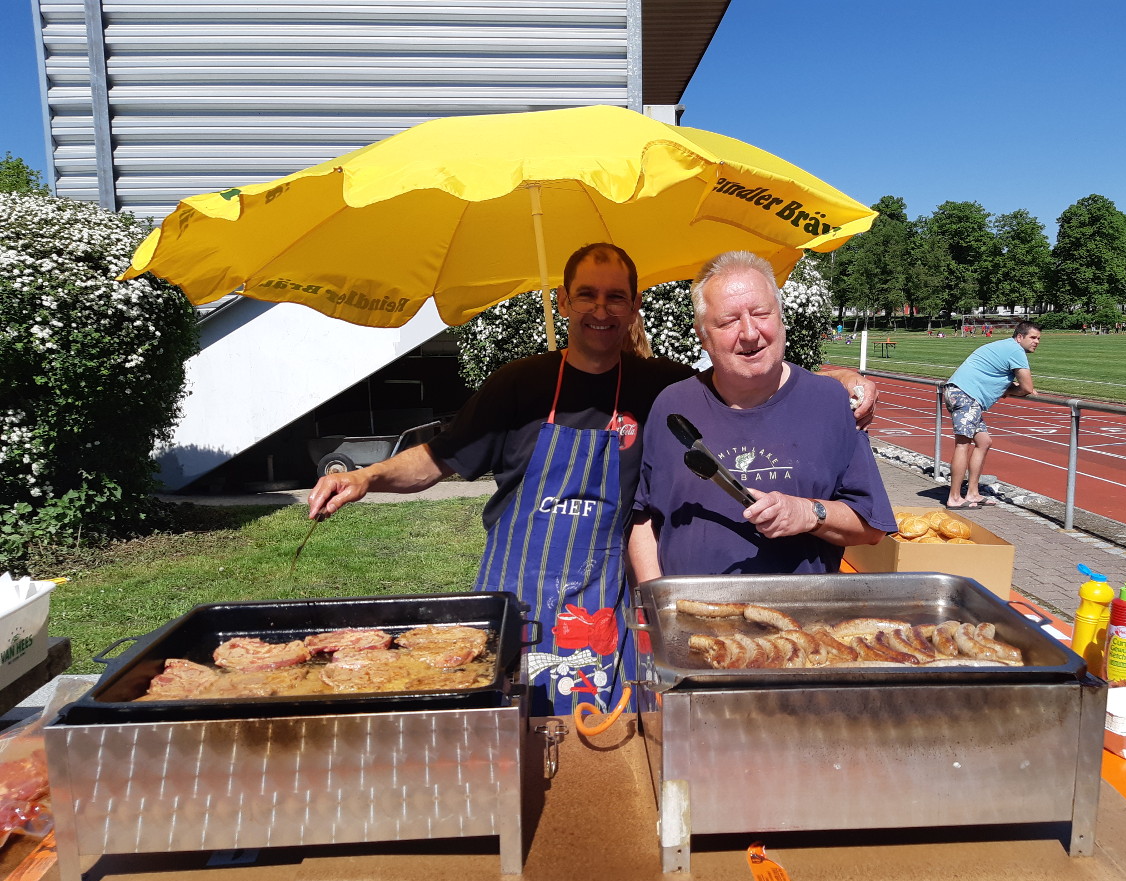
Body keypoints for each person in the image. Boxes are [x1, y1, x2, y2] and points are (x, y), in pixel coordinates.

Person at [307, 242, 879, 715]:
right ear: (564, 301)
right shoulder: (517, 385)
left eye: (615, 297)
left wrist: (838, 380)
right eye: (586, 294)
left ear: (633, 308)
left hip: (599, 601)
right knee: (513, 720)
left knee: (600, 736)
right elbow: (437, 459)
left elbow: (743, 375)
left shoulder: (660, 388)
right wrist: (368, 476)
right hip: (520, 595)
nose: (600, 310)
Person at [628, 251, 896, 581]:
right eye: (728, 321)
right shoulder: (671, 406)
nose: (750, 333)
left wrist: (810, 513)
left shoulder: (830, 402)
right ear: (703, 336)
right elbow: (642, 514)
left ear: (781, 319)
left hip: (798, 613)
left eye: (761, 313)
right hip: (687, 611)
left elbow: (871, 526)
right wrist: (656, 597)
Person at [941, 320, 1042, 509]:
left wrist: (1009, 388)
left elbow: (1000, 375)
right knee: (963, 444)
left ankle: (972, 493)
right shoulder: (1016, 351)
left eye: (1038, 339)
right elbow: (1027, 388)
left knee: (984, 442)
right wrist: (1013, 390)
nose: (1036, 342)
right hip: (966, 395)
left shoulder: (1004, 346)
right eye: (1033, 337)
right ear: (1020, 337)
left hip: (963, 394)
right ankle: (954, 498)